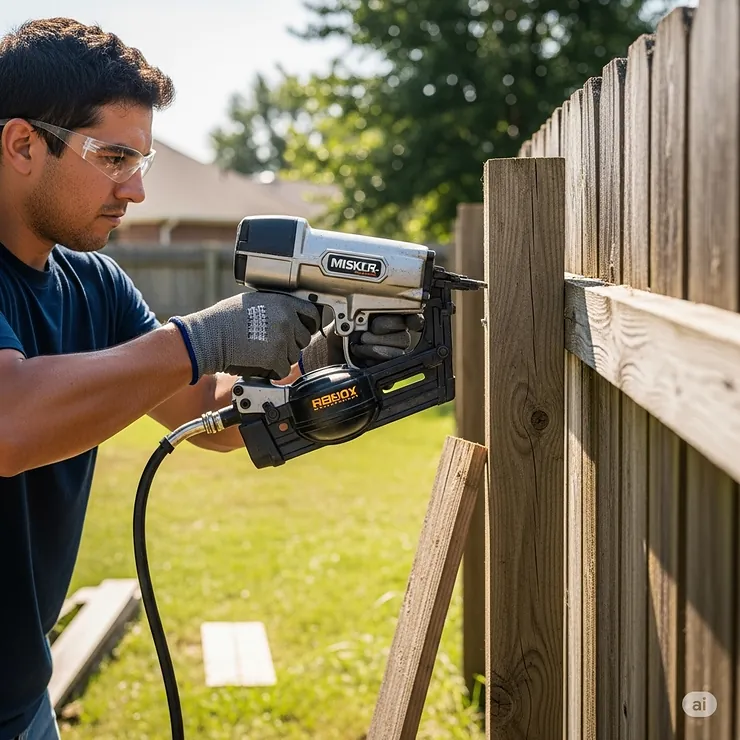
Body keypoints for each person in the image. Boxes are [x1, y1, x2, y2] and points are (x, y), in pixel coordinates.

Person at [0, 18, 420, 740]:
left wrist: (328, 366)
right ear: (21, 144)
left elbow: (206, 410)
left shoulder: (93, 283)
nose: (133, 188)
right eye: (112, 156)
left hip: (21, 692)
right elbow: (9, 422)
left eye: (143, 161)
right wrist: (204, 336)